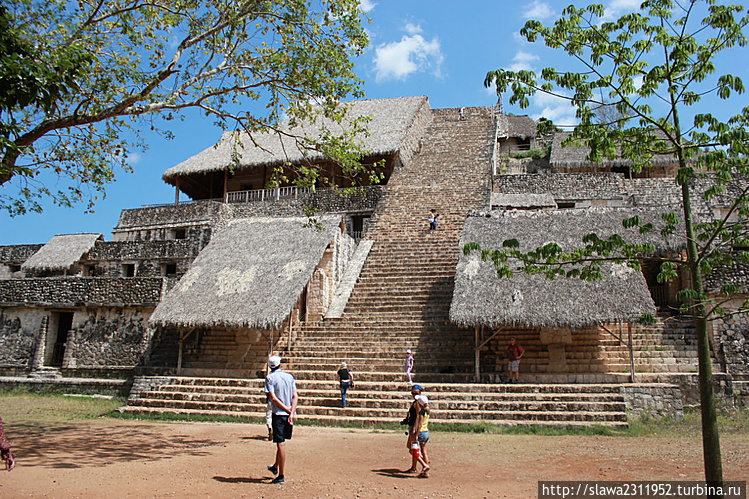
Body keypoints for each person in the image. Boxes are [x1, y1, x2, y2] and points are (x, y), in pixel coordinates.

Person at [265, 355, 298, 484]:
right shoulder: (289, 377)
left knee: (281, 444)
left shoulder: (270, 378)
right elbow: (295, 396)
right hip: (288, 414)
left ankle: (281, 475)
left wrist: (286, 409)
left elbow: (273, 398)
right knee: (281, 441)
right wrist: (291, 412)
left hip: (279, 414)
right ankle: (275, 466)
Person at [400, 384, 423, 473]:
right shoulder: (416, 402)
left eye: (416, 393)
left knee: (411, 447)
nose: (414, 395)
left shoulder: (418, 403)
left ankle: (424, 463)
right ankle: (414, 467)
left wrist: (414, 429)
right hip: (412, 425)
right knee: (413, 448)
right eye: (413, 393)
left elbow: (418, 417)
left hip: (414, 427)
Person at [410, 394, 431, 477]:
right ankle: (426, 472)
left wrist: (416, 434)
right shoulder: (427, 411)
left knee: (414, 451)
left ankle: (425, 466)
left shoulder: (421, 412)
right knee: (424, 452)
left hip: (421, 432)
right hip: (426, 432)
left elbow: (420, 424)